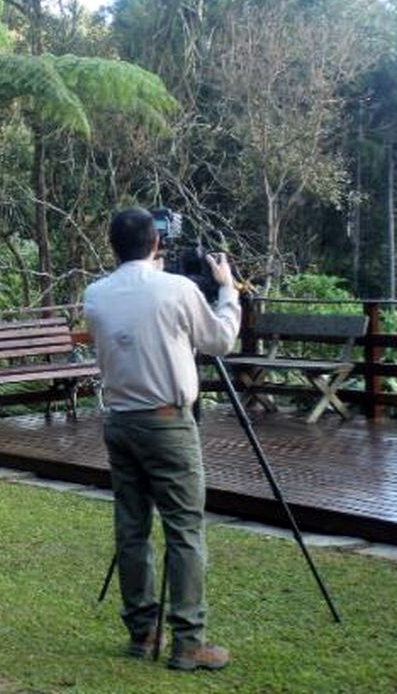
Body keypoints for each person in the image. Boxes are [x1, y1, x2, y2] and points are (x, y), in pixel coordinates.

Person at [82, 207, 241, 672]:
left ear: (113, 246)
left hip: (121, 422)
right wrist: (227, 289)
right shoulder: (178, 289)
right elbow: (219, 340)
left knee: (131, 528)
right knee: (184, 529)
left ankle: (141, 631)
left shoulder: (95, 295)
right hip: (167, 424)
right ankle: (189, 641)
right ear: (157, 243)